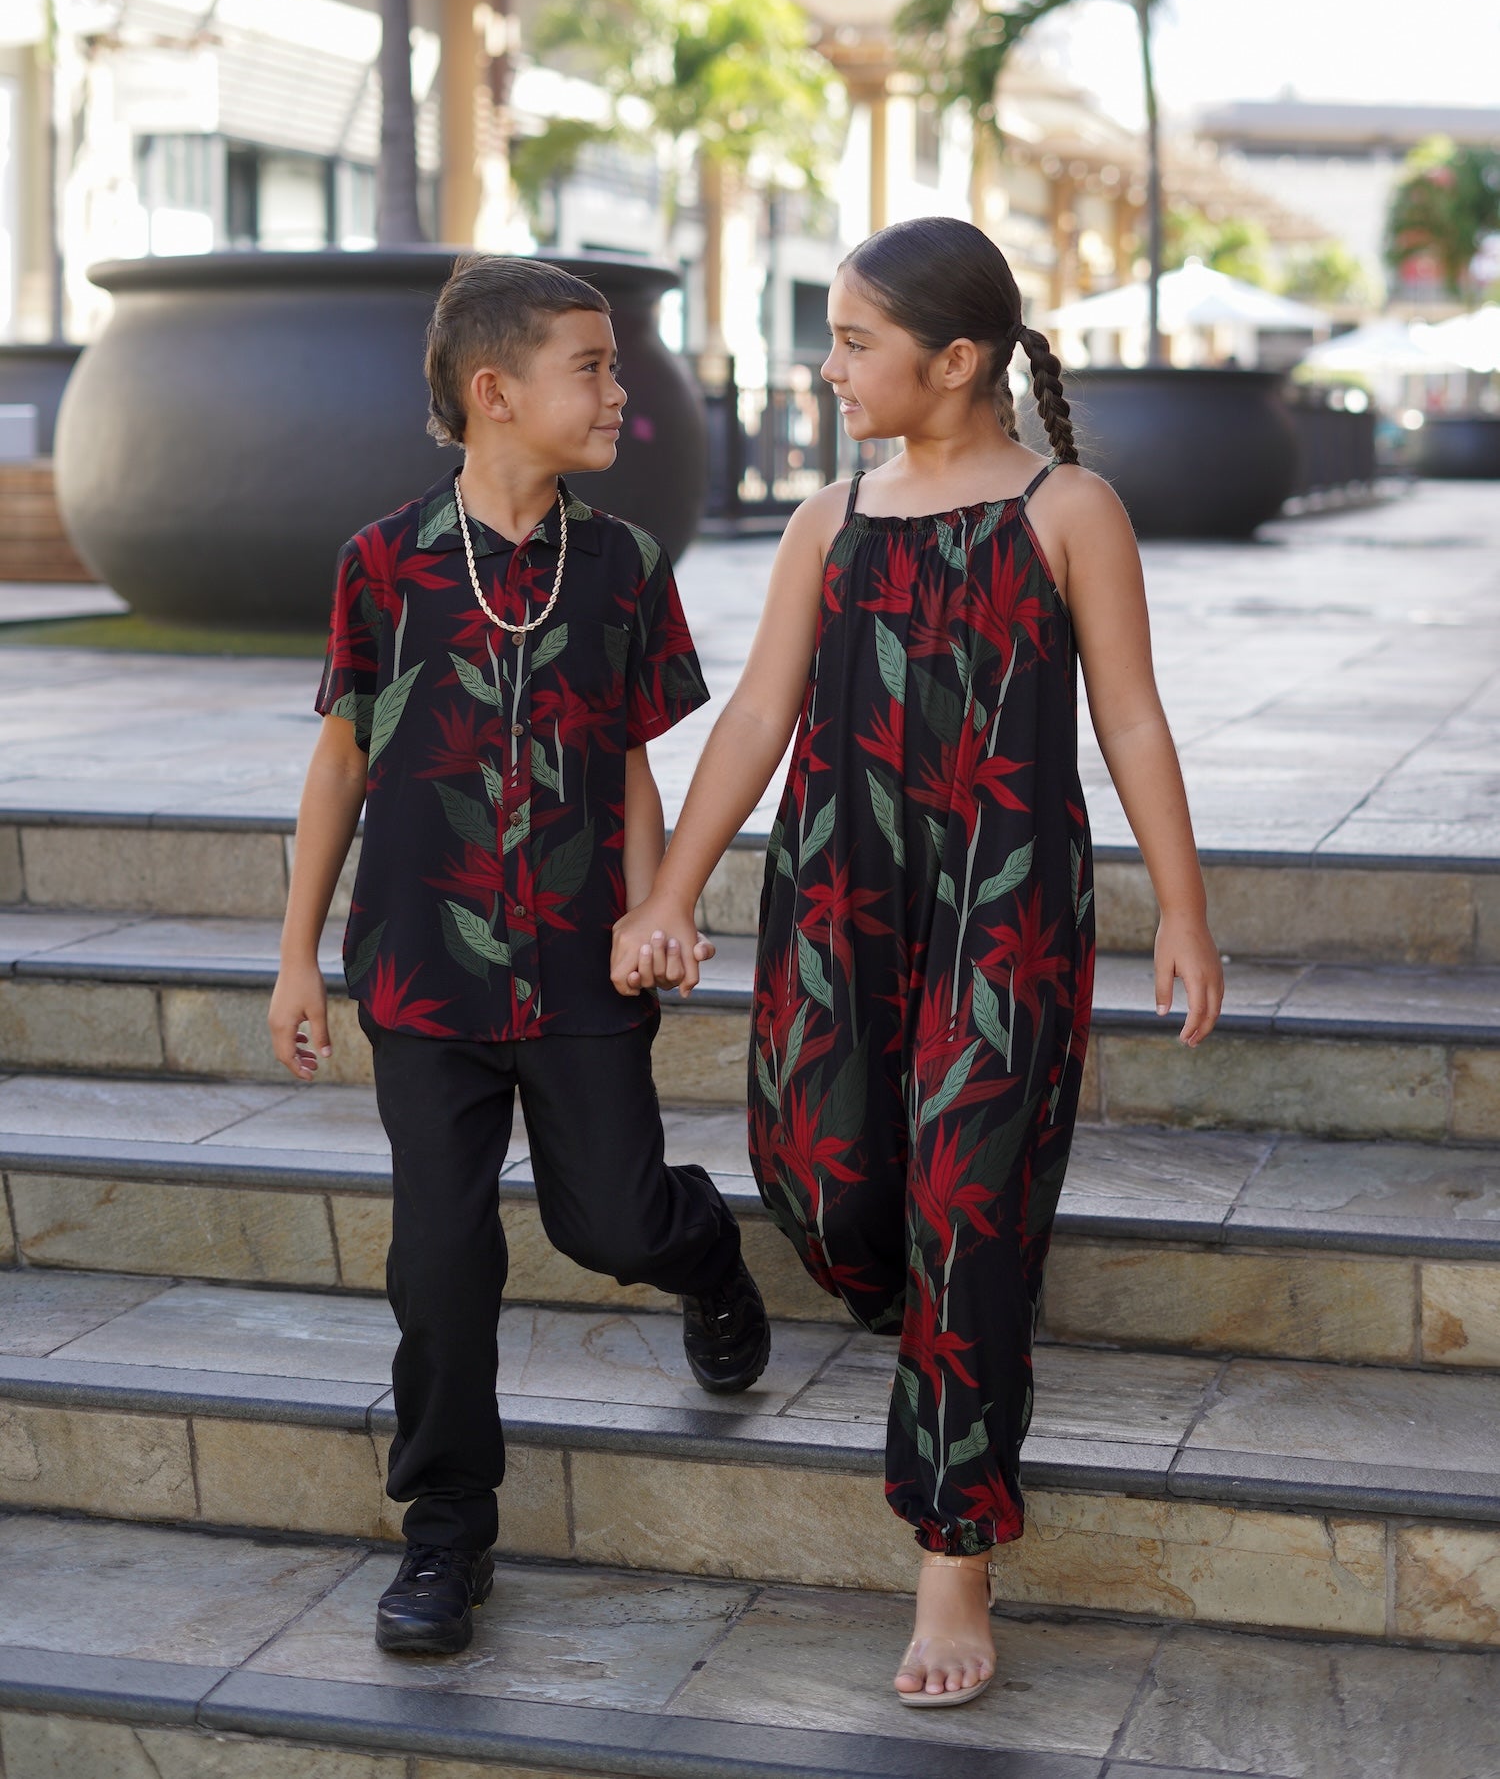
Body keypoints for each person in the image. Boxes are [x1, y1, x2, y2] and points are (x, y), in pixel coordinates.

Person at [612, 217, 1223, 1709]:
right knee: (822, 1185)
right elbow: (757, 718)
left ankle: (955, 1547)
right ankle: (957, 1301)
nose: (828, 368)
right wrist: (670, 889)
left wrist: (1185, 911)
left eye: (852, 342)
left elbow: (1133, 719)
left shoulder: (1069, 510)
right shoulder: (830, 520)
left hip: (1008, 906)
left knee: (965, 1200)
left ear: (955, 362)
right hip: (839, 898)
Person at [270, 254, 769, 1659]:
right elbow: (341, 761)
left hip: (579, 966)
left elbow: (634, 762)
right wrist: (296, 954)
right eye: (591, 368)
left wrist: (656, 903)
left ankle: (706, 1253)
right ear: (494, 391)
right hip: (420, 973)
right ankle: (446, 1530)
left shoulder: (625, 566)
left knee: (608, 1224)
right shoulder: (382, 562)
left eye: (614, 367)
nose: (620, 395)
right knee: (439, 1257)